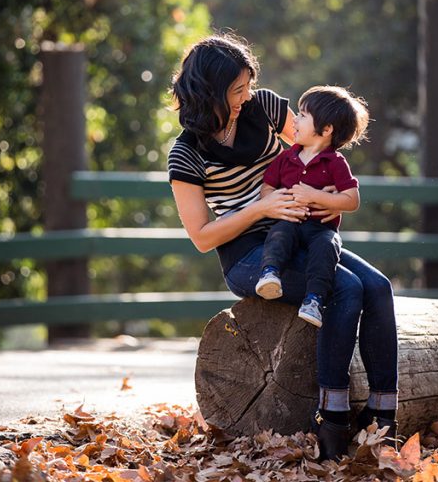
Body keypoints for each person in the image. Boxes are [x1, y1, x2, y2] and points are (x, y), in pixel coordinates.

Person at [166, 33, 397, 462]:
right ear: (211, 91)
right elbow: (202, 236)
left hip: (302, 232)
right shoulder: (186, 154)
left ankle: (385, 415)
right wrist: (262, 206)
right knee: (344, 290)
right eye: (237, 90)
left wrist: (325, 191)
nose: (246, 96)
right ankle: (333, 420)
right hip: (248, 255)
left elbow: (317, 143)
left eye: (248, 85)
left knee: (378, 286)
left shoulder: (267, 107)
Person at [254, 86, 369, 328]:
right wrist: (280, 201)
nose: (294, 119)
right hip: (291, 220)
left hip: (321, 229)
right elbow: (267, 187)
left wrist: (315, 196)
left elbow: (352, 200)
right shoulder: (285, 158)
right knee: (279, 234)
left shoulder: (336, 163)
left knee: (326, 250)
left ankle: (314, 300)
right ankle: (270, 274)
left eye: (303, 115)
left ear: (326, 130)